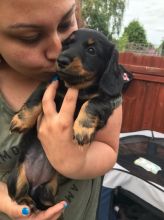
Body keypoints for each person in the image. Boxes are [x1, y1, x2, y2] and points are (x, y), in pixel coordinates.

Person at [0, 0, 122, 219]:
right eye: (30, 36)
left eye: (66, 24)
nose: (60, 51)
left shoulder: (103, 91)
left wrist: (75, 161)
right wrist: (4, 200)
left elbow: (109, 148)